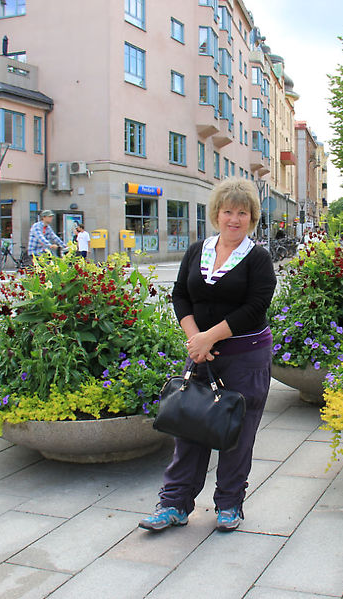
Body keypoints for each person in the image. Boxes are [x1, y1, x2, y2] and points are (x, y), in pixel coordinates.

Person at [140, 178, 276, 534]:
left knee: (237, 432)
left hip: (245, 357)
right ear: (216, 214)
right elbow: (181, 295)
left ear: (251, 218)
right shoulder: (198, 249)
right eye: (228, 211)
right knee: (190, 427)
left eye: (242, 213)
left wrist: (209, 337)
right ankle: (174, 505)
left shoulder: (258, 258)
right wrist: (195, 340)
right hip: (201, 354)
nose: (234, 219)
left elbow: (256, 306)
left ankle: (229, 504)